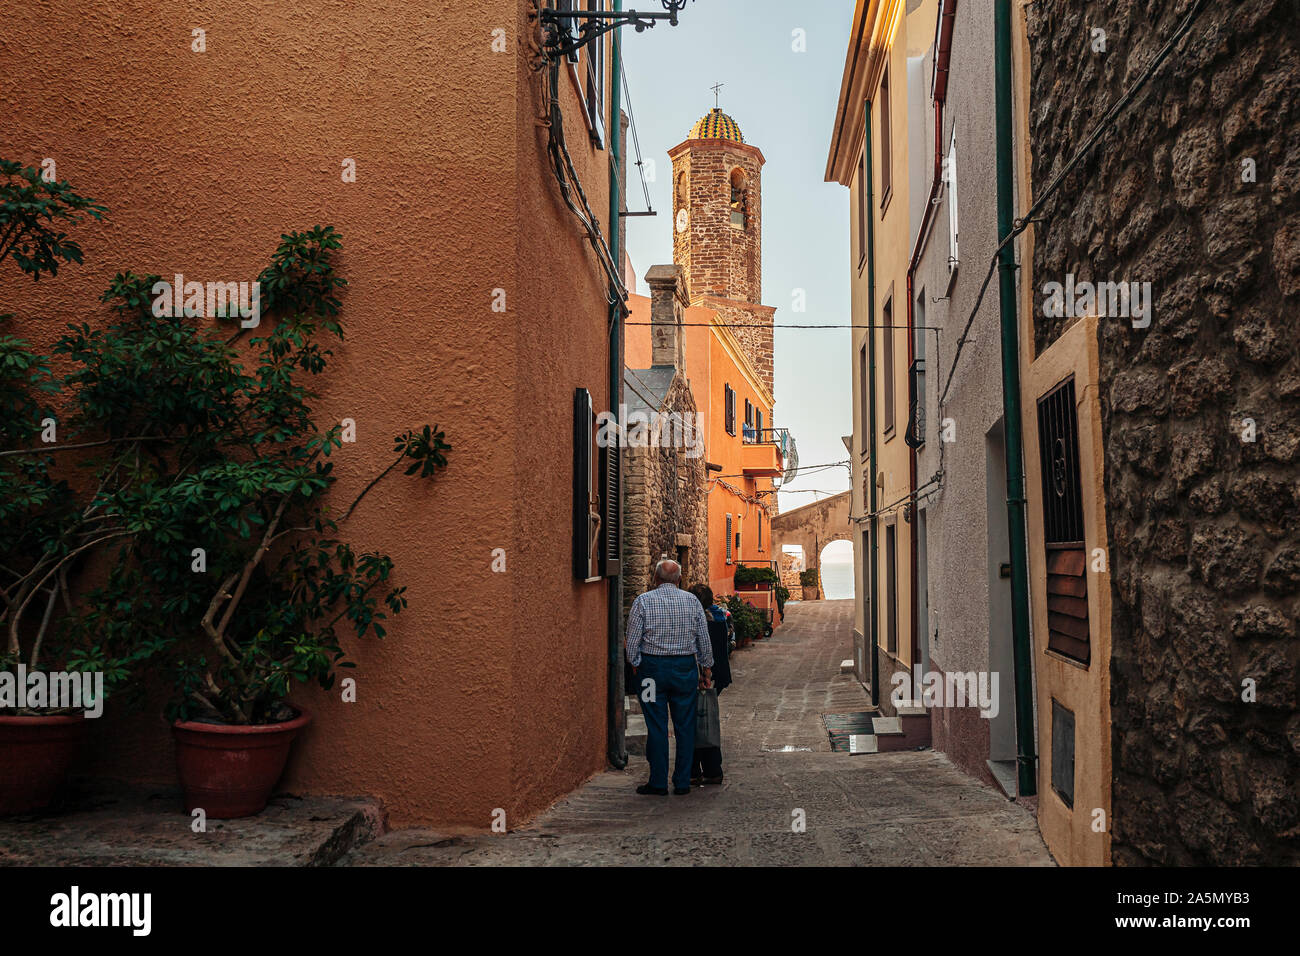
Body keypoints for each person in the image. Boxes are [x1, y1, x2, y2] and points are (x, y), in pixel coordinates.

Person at [626, 559, 713, 796]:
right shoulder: (692, 601)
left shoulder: (643, 602)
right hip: (684, 669)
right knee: (685, 726)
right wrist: (706, 669)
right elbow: (703, 640)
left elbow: (633, 641)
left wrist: (635, 664)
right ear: (679, 580)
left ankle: (657, 781)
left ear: (655, 579)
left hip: (651, 672)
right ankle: (682, 782)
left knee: (655, 725)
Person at [689, 585, 732, 786]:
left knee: (696, 722)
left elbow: (703, 649)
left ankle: (700, 769)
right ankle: (710, 769)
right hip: (718, 675)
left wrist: (704, 673)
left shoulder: (701, 620)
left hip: (704, 675)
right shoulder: (719, 616)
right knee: (706, 719)